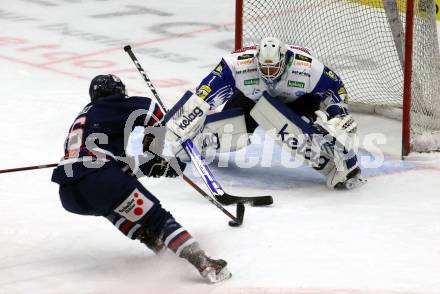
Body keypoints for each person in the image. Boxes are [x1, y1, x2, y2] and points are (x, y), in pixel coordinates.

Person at [51, 74, 232, 283]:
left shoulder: (86, 117)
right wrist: (155, 152)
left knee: (112, 206)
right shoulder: (113, 104)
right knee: (157, 218)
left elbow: (110, 164)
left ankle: (158, 245)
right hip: (99, 179)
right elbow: (152, 111)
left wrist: (148, 165)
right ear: (116, 92)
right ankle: (204, 262)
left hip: (69, 193)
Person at [167, 37, 366, 190]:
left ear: (286, 61)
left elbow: (336, 89)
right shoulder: (236, 63)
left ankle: (342, 161)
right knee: (229, 129)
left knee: (311, 128)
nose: (269, 73)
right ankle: (197, 143)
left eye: (274, 68)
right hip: (251, 100)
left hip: (298, 102)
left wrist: (337, 113)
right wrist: (187, 116)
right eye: (264, 68)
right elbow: (206, 91)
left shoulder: (307, 67)